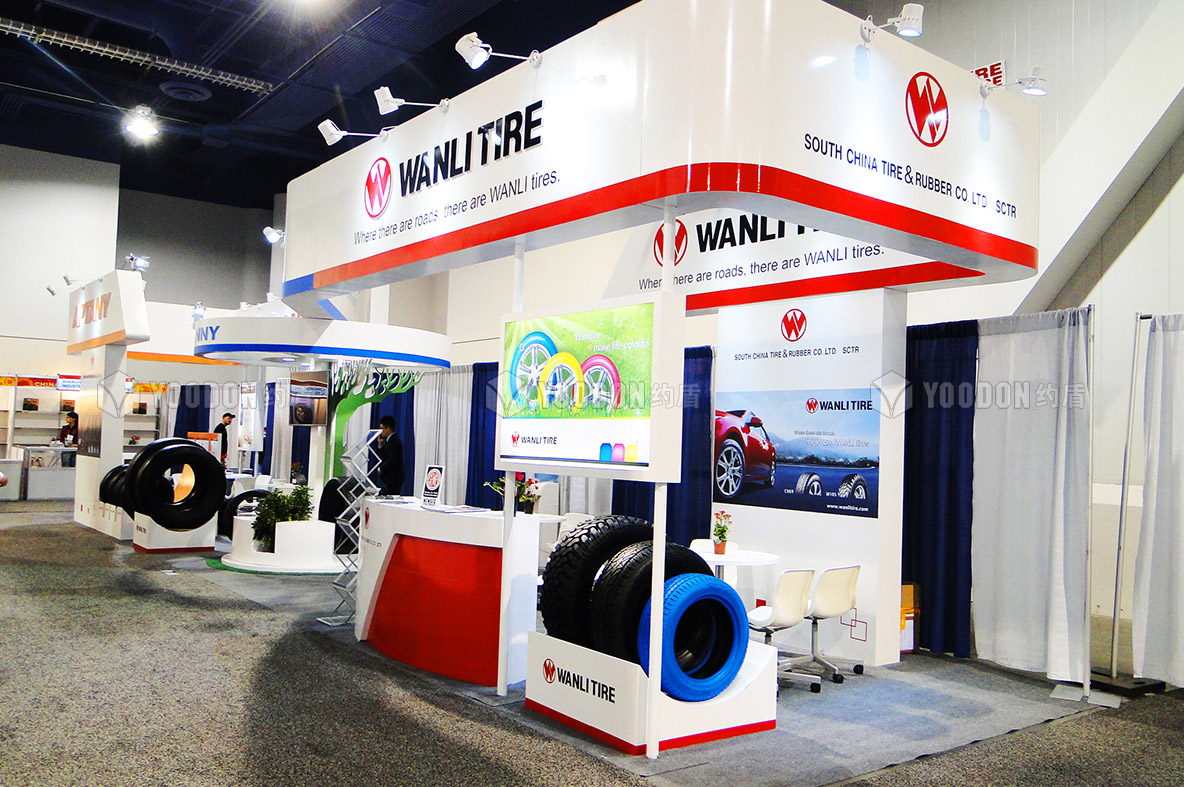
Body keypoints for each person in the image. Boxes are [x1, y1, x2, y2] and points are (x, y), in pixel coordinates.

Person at [375, 415, 405, 496]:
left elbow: (392, 460)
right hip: (389, 478)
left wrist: (381, 469)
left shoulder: (394, 441)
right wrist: (380, 444)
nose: (380, 431)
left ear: (388, 428)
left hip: (394, 478)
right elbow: (383, 456)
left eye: (382, 428)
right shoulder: (388, 441)